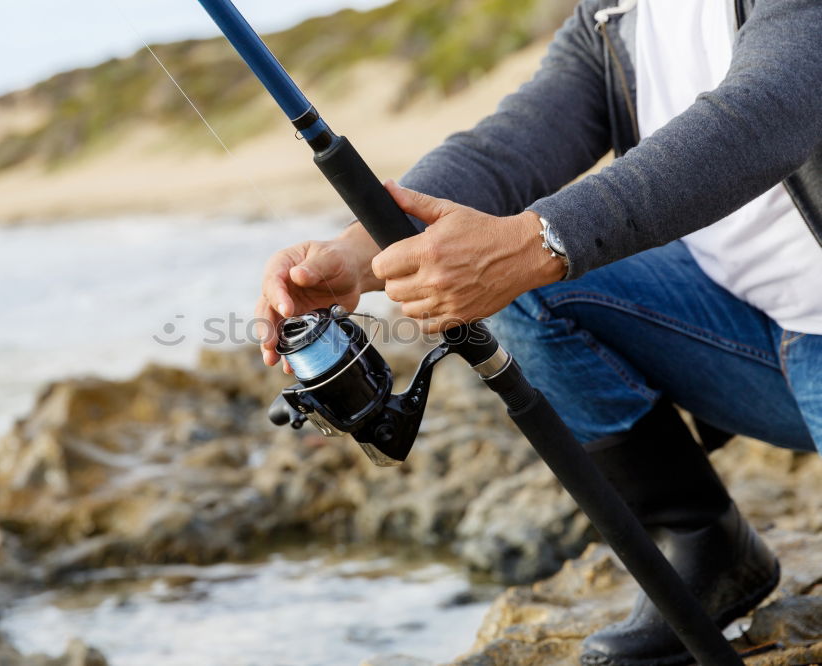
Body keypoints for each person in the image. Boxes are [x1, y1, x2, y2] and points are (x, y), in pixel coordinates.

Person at [254, 0, 822, 664]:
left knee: (519, 263)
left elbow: (767, 113)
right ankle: (705, 544)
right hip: (749, 329)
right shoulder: (614, 12)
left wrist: (537, 242)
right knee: (516, 291)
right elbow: (508, 148)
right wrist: (356, 254)